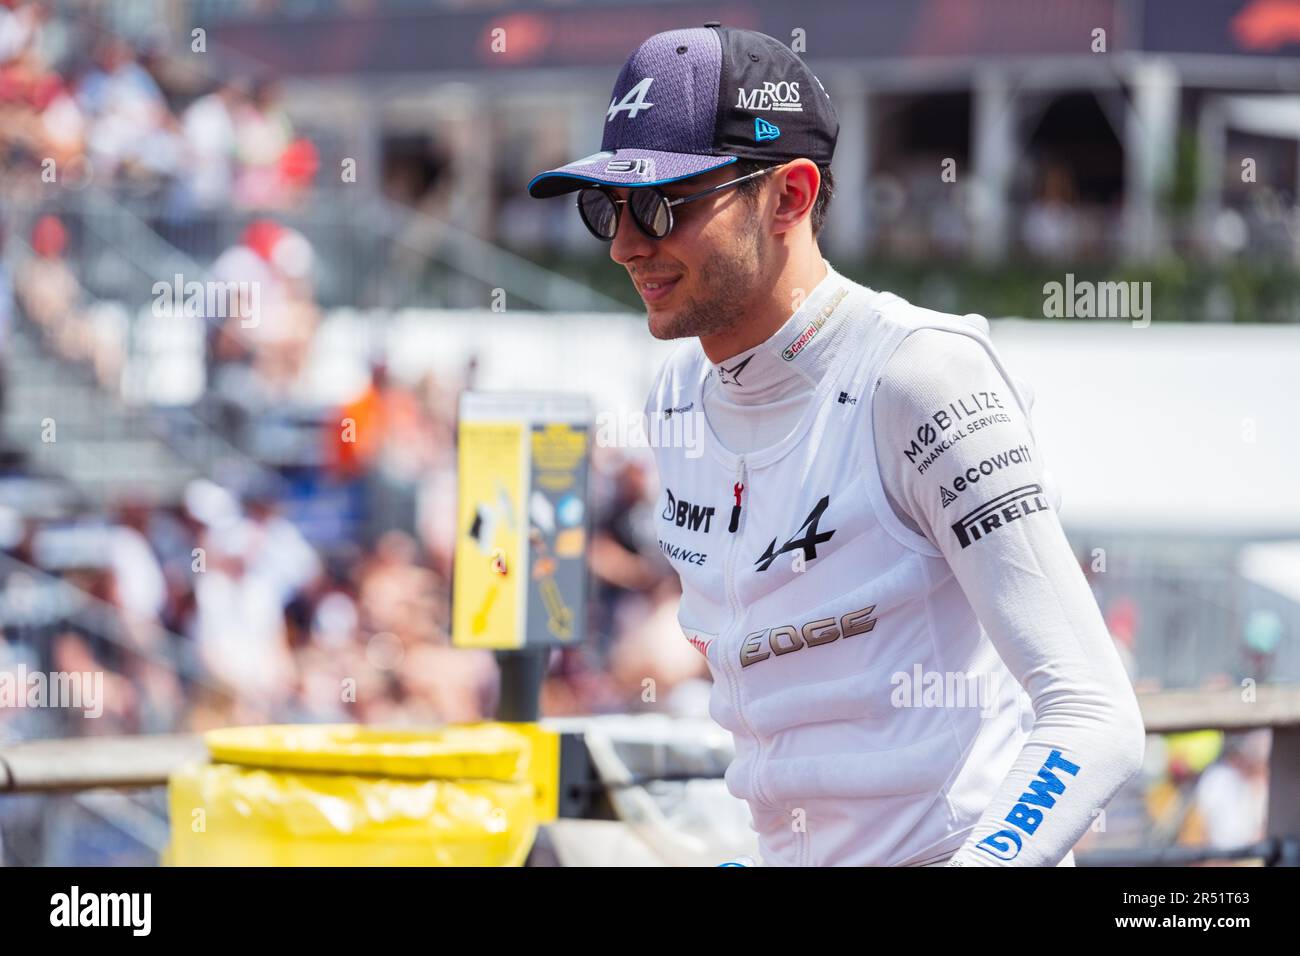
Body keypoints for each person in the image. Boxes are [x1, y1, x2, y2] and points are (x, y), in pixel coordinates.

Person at [527, 22, 1145, 866]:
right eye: (606, 205)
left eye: (663, 204)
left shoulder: (923, 376)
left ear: (788, 195)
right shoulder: (673, 395)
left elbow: (1095, 713)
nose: (627, 242)